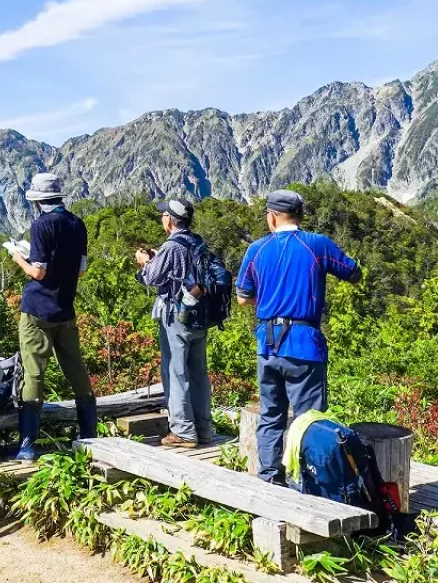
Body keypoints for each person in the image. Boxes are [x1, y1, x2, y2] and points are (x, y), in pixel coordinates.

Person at [235, 190, 362, 485]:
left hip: (267, 343)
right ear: (300, 216)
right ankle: (306, 482)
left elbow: (243, 297)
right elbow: (354, 272)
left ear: (271, 217)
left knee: (270, 416)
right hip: (305, 343)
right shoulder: (317, 245)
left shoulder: (256, 249)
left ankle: (268, 478)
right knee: (309, 420)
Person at [10, 172, 96, 461]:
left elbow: (38, 272)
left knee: (34, 373)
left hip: (37, 310)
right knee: (76, 370)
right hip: (65, 308)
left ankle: (27, 447)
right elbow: (81, 270)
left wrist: (18, 258)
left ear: (37, 201)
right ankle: (89, 436)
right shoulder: (77, 224)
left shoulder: (41, 225)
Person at [135, 199, 214, 448]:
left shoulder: (171, 246)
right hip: (199, 315)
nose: (162, 219)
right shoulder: (196, 240)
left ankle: (183, 431)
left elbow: (152, 277)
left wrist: (144, 261)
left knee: (175, 371)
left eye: (163, 215)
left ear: (169, 219)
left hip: (177, 316)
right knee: (198, 372)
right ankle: (203, 429)